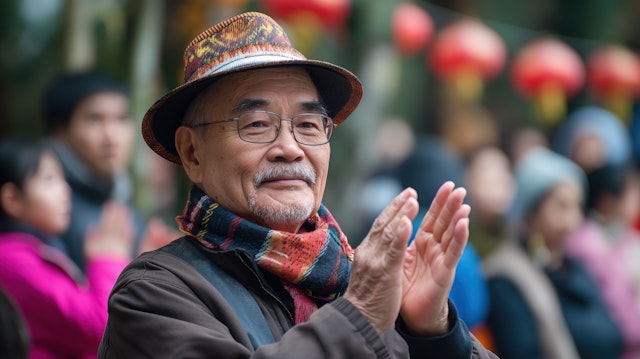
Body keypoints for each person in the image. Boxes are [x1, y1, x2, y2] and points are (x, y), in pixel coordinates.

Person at [98, 12, 496, 358]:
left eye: (308, 125)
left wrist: (432, 332)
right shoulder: (154, 293)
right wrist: (358, 316)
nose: (290, 149)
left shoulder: (355, 279)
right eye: (256, 125)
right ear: (192, 153)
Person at [484, 147, 623, 359]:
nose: (572, 221)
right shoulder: (507, 276)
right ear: (531, 212)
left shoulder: (575, 267)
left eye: (576, 207)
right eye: (561, 207)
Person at [0, 138, 134, 358]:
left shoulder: (34, 248)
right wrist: (107, 258)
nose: (66, 191)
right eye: (50, 179)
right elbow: (101, 327)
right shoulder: (11, 259)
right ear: (12, 199)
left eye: (64, 179)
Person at [41, 71, 175, 272]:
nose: (112, 137)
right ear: (61, 131)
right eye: (95, 119)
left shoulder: (119, 194)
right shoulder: (42, 208)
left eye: (121, 119)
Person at [565, 162, 640, 359]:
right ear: (607, 202)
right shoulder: (587, 245)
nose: (637, 202)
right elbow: (620, 313)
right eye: (631, 195)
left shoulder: (622, 236)